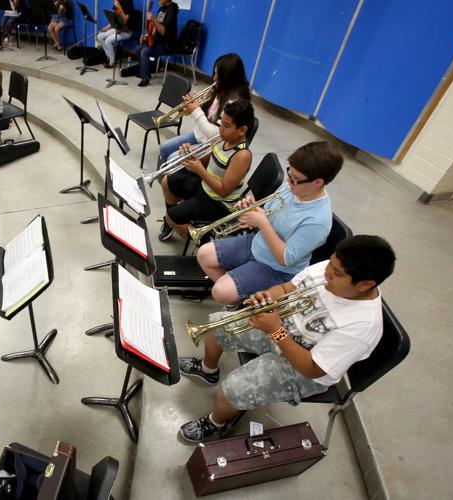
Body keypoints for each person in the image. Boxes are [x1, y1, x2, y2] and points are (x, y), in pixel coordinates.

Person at [178, 235, 396, 442]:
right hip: (282, 327)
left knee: (233, 388)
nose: (327, 273)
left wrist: (275, 331)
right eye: (330, 263)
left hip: (305, 368)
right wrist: (267, 297)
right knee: (219, 325)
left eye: (337, 273)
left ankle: (216, 423)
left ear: (365, 285)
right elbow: (286, 288)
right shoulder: (329, 269)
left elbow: (313, 369)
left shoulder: (362, 327)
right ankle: (208, 371)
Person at [196, 141, 344, 306]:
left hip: (277, 269)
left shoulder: (317, 221)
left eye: (295, 179)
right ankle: (241, 298)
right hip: (258, 243)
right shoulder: (293, 186)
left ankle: (241, 301)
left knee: (220, 292)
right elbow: (269, 212)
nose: (288, 182)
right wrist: (251, 208)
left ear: (317, 182)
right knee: (203, 254)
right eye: (289, 173)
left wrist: (262, 223)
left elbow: (285, 259)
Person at [158, 100, 254, 241]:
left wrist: (200, 170)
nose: (220, 129)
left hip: (218, 202)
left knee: (171, 217)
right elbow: (207, 157)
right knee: (168, 181)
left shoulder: (242, 155)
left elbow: (223, 191)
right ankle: (174, 224)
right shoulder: (222, 139)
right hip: (205, 186)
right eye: (221, 123)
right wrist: (190, 153)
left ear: (242, 130)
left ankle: (203, 236)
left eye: (226, 126)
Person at [158, 53, 251, 163]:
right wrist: (191, 106)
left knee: (172, 159)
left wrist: (195, 110)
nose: (214, 78)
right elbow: (206, 114)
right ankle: (171, 178)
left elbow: (218, 135)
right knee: (164, 148)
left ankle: (180, 177)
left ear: (229, 78)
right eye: (214, 73)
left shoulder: (235, 102)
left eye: (218, 75)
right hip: (199, 135)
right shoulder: (218, 89)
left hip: (213, 145)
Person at [129, 0, 177, 87]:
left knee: (145, 51)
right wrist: (146, 36)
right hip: (157, 41)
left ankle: (145, 78)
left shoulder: (172, 11)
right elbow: (155, 28)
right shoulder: (161, 8)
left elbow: (163, 31)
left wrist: (153, 19)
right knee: (137, 49)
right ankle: (146, 72)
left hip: (166, 45)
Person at [96, 0, 133, 68]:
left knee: (108, 41)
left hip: (126, 31)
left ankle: (112, 62)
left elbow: (125, 19)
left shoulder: (128, 3)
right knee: (99, 36)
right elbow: (114, 18)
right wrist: (107, 28)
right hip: (117, 28)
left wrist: (119, 6)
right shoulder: (117, 2)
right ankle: (110, 56)